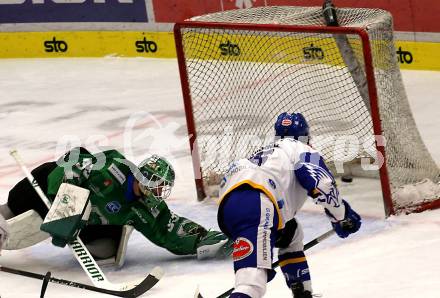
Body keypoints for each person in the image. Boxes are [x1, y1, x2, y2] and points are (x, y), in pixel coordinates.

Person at [0, 147, 232, 264]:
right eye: (158, 186)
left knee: (108, 250)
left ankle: (75, 233)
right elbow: (74, 158)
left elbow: (167, 229)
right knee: (11, 210)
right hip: (46, 186)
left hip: (84, 217)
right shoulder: (114, 167)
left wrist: (202, 240)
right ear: (145, 178)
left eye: (163, 188)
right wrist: (67, 204)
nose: (160, 193)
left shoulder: (146, 207)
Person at [217, 112, 362, 298]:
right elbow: (323, 186)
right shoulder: (300, 148)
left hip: (230, 209)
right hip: (257, 207)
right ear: (305, 135)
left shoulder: (267, 152)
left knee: (291, 233)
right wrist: (342, 216)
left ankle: (303, 293)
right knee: (252, 286)